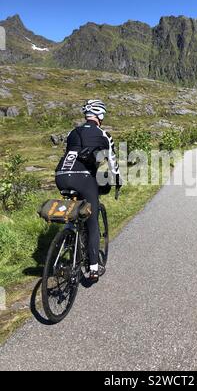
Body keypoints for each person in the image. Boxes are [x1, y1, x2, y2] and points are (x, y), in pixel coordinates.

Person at [55, 100, 121, 283]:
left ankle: (69, 232)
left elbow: (69, 154)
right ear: (100, 116)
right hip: (83, 178)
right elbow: (113, 164)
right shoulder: (103, 134)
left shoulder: (72, 132)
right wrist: (117, 182)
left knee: (73, 209)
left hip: (60, 175)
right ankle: (93, 267)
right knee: (93, 223)